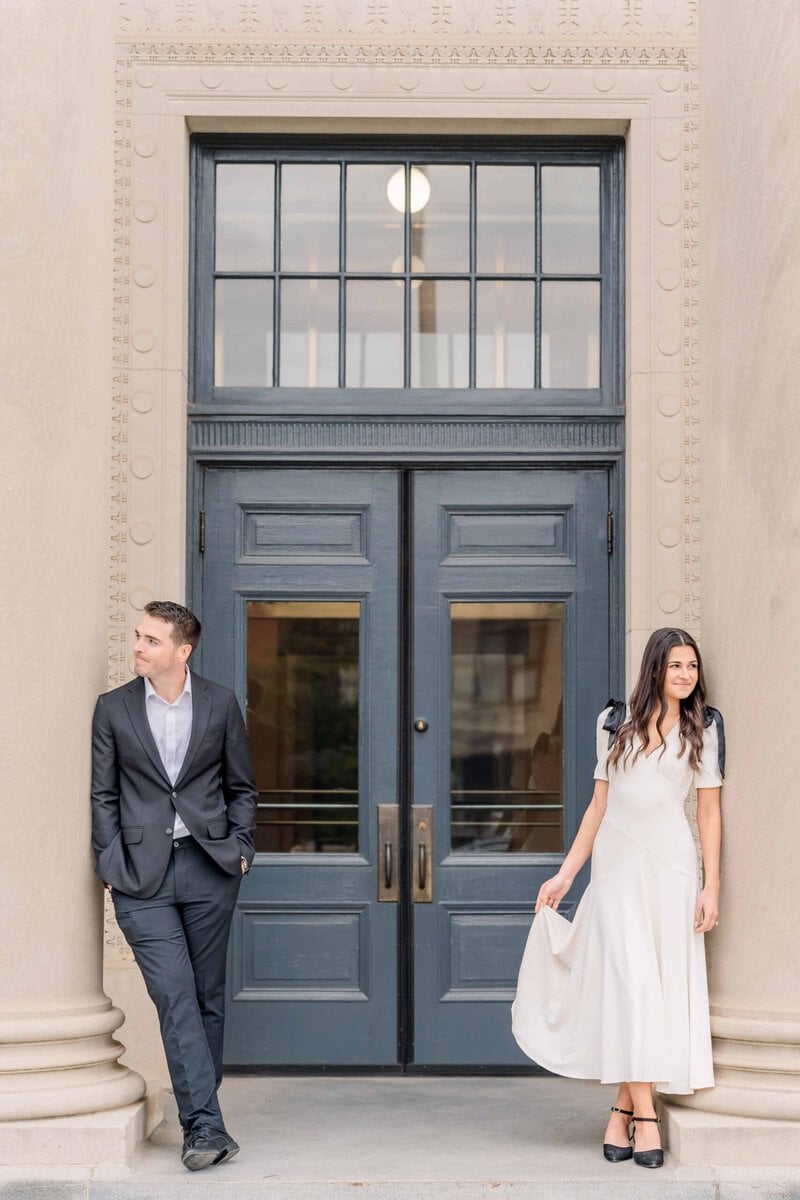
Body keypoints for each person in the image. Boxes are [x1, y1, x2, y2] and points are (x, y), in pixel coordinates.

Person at [511, 628, 724, 1169]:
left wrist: (711, 884)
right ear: (655, 669)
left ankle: (622, 1109)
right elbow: (596, 809)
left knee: (654, 988)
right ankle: (647, 1115)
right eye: (675, 665)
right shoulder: (614, 725)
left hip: (672, 870)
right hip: (616, 870)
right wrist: (565, 876)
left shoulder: (704, 728)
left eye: (692, 666)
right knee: (630, 985)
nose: (685, 675)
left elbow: (708, 813)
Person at [91, 601, 257, 1172]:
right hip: (142, 876)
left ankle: (201, 1121)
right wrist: (111, 863)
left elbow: (242, 785)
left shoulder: (218, 702)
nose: (138, 647)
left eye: (151, 640)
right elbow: (104, 794)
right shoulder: (113, 709)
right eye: (138, 636)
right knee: (174, 993)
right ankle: (205, 1125)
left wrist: (241, 849)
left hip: (210, 867)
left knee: (207, 998)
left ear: (181, 652)